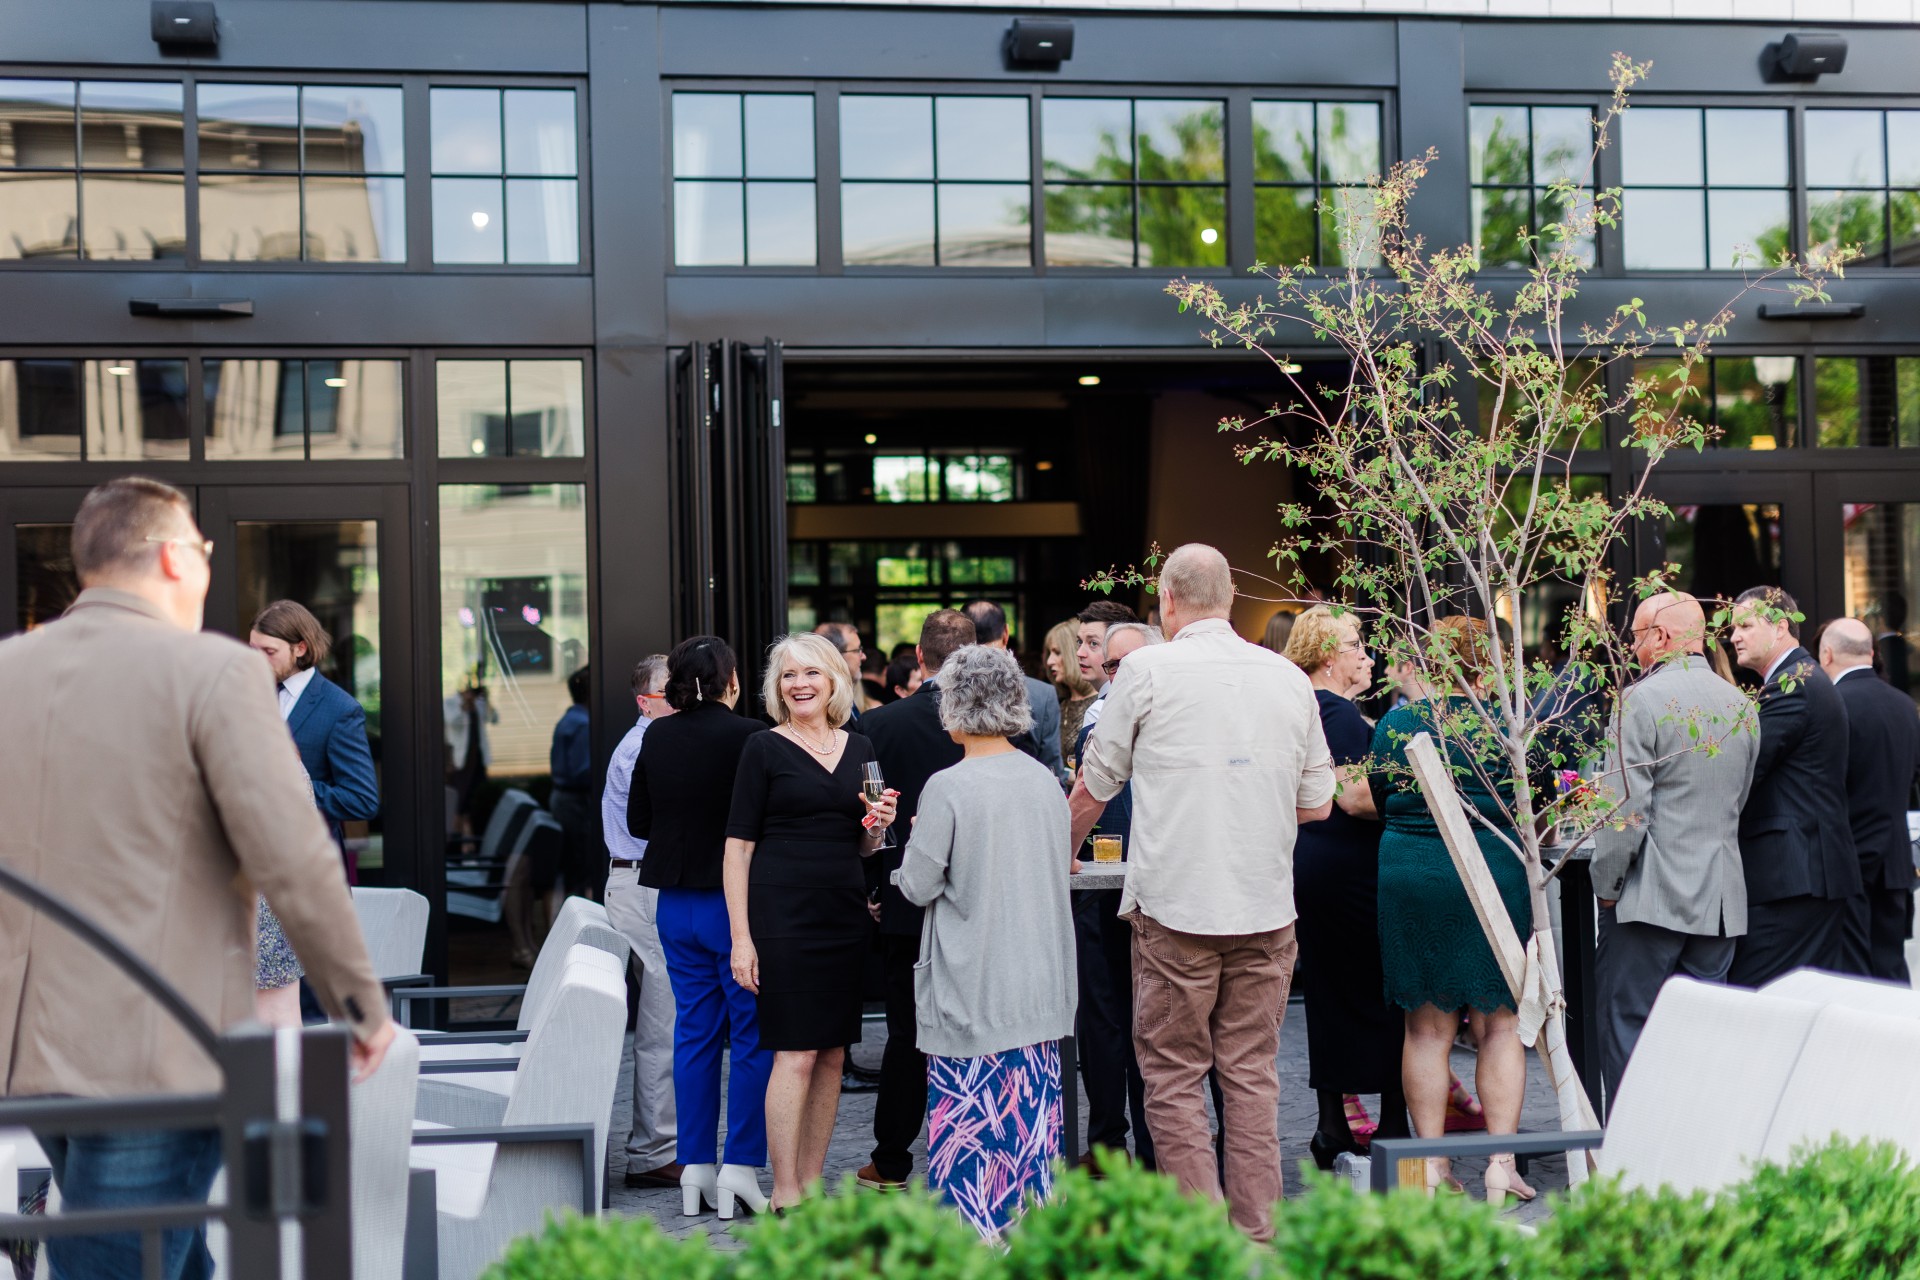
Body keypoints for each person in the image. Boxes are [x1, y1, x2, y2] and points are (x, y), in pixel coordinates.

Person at [0, 477, 393, 1280]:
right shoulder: (216, 674)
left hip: (28, 1050)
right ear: (177, 559)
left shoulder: (9, 669)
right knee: (125, 1260)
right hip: (159, 1042)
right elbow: (293, 853)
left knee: (168, 1254)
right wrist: (359, 1004)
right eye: (206, 553)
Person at [1071, 544, 1333, 1241]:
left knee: (1175, 1077)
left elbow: (1095, 786)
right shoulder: (1287, 678)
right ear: (1228, 597)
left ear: (1168, 601)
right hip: (1267, 906)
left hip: (1176, 906)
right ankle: (1256, 1230)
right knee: (1251, 1076)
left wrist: (1055, 855)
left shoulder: (1148, 669)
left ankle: (1200, 1236)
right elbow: (1317, 806)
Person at [893, 645, 1077, 1241]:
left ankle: (974, 1252)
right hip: (1039, 986)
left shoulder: (948, 787)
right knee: (1030, 1139)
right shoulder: (1046, 782)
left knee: (971, 1144)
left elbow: (919, 886)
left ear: (953, 707)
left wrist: (916, 843)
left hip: (973, 990)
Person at [724, 633, 897, 1213]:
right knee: (794, 1052)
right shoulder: (762, 748)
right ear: (778, 688)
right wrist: (741, 939)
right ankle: (784, 1190)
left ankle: (813, 1181)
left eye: (810, 673)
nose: (799, 683)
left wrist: (881, 822)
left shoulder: (864, 746)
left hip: (843, 913)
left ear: (833, 682)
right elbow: (737, 849)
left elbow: (869, 844)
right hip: (782, 916)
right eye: (788, 675)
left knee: (831, 1053)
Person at [1369, 615, 1535, 1204]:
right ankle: (1499, 1166)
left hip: (1413, 871)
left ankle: (1431, 1169)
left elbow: (1380, 797)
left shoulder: (1395, 723)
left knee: (1426, 1029)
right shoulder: (1503, 725)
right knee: (1501, 1025)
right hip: (1492, 868)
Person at [1590, 593, 1759, 1106]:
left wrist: (1606, 886)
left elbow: (1625, 812)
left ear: (1660, 639)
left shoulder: (1640, 701)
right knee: (1703, 1035)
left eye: (1638, 636)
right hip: (1720, 900)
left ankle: (1635, 1160)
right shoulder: (1742, 705)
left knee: (1629, 1027)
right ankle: (1691, 1154)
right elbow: (1739, 799)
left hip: (1649, 897)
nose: (1633, 647)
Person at [631, 636, 771, 1219]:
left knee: (693, 1033)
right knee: (754, 1036)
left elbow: (639, 820)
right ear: (731, 680)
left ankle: (694, 1168)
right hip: (731, 903)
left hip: (673, 902)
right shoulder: (749, 738)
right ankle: (739, 1164)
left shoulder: (656, 734)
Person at [850, 608, 978, 1191]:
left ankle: (892, 1158)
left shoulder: (883, 725)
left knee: (908, 1032)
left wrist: (875, 889)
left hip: (905, 902)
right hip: (979, 900)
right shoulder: (1000, 727)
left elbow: (872, 819)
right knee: (978, 1026)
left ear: (919, 658)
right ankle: (973, 1148)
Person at [1281, 607, 1409, 1167]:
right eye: (1356, 645)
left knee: (1331, 993)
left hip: (1313, 861)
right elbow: (1355, 798)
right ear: (1328, 655)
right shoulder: (1337, 713)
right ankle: (1394, 1122)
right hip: (1349, 865)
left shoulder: (1298, 706)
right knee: (1386, 991)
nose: (1367, 656)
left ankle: (1332, 1125)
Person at [1727, 587, 1862, 986]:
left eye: (1745, 626)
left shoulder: (1793, 685)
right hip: (1805, 874)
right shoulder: (1798, 679)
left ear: (1781, 626)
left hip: (1793, 878)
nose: (1734, 636)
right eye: (1733, 628)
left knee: (1762, 999)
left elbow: (1745, 772)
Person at [1071, 621, 1162, 1175]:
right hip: (1101, 886)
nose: (1117, 674)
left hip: (1162, 889)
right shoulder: (1098, 720)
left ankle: (1154, 1149)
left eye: (1127, 664)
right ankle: (1108, 1144)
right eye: (1111, 666)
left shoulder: (1172, 719)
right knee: (1104, 1020)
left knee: (1153, 1023)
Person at [603, 654, 681, 1190]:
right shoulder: (643, 749)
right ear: (644, 701)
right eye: (669, 694)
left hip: (641, 883)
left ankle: (659, 1145)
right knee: (662, 1022)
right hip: (643, 885)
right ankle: (652, 1151)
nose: (681, 702)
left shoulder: (655, 743)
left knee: (668, 1018)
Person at [249, 599, 380, 877]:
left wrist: (295, 789)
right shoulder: (248, 694)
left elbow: (362, 799)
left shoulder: (340, 709)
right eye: (253, 650)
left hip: (308, 871)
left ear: (300, 648)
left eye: (269, 651)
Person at [1820, 617, 1920, 982]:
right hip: (1894, 861)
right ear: (1872, 653)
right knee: (1890, 964)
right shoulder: (1906, 706)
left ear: (1827, 654)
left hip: (1849, 861)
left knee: (1854, 972)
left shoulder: (1833, 704)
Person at [964, 600, 1063, 780]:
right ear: (1006, 633)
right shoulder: (1042, 694)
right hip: (1027, 797)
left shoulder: (951, 692)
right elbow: (1052, 768)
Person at [549, 664, 596, 899]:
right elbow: (582, 772)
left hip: (564, 800)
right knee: (579, 866)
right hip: (574, 804)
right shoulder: (583, 724)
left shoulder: (570, 718)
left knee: (573, 866)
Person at [445, 679, 497, 837]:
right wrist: (465, 705)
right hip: (460, 760)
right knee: (461, 799)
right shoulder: (450, 702)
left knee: (474, 798)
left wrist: (486, 699)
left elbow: (493, 719)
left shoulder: (480, 703)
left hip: (478, 758)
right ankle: (458, 837)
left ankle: (470, 839)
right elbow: (452, 722)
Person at [1045, 619, 1097, 767]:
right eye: (1049, 653)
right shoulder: (1062, 705)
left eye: (1057, 652)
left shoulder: (1100, 704)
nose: (1049, 661)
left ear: (1073, 654)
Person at [813, 622, 868, 722]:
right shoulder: (823, 706)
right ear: (835, 655)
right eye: (857, 650)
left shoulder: (843, 695)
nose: (864, 656)